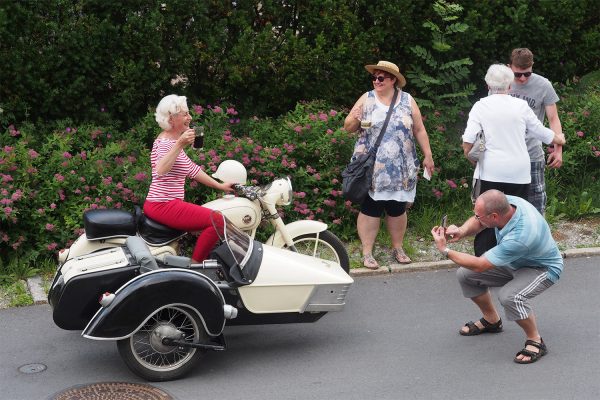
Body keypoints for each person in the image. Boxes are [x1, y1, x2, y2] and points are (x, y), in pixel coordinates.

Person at [431, 189, 563, 364]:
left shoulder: (522, 235)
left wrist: (444, 250)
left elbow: (480, 265)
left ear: (494, 216)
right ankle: (492, 320)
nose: (475, 218)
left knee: (510, 297)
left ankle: (535, 340)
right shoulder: (507, 202)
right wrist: (462, 231)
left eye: (478, 215)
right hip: (515, 261)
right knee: (465, 275)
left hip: (542, 268)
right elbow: (480, 223)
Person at [462, 64, 565, 257]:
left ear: (487, 84)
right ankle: (513, 256)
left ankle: (484, 258)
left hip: (490, 171)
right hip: (519, 172)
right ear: (510, 85)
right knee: (515, 216)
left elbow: (468, 141)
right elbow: (542, 133)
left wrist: (472, 158)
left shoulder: (480, 106)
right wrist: (559, 139)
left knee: (485, 216)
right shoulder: (521, 106)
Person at [344, 60, 434, 269]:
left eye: (381, 78)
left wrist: (428, 155)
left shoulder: (407, 100)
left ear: (393, 80)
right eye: (374, 77)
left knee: (397, 208)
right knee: (370, 208)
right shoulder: (366, 99)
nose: (377, 81)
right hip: (372, 167)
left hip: (402, 167)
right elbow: (348, 127)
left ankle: (398, 247)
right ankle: (367, 253)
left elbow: (419, 129)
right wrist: (355, 119)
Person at [143, 94, 235, 263]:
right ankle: (195, 268)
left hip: (164, 203)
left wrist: (220, 186)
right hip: (163, 203)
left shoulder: (171, 141)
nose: (190, 117)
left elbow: (192, 170)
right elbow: (160, 170)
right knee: (217, 221)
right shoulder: (167, 143)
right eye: (185, 114)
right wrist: (180, 144)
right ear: (172, 118)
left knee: (213, 220)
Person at [508, 48, 564, 214]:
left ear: (532, 67)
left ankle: (537, 239)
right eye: (518, 74)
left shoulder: (543, 85)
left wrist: (558, 149)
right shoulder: (500, 84)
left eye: (528, 74)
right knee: (506, 207)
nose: (523, 78)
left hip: (532, 154)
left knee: (535, 207)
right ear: (509, 67)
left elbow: (553, 119)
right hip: (506, 155)